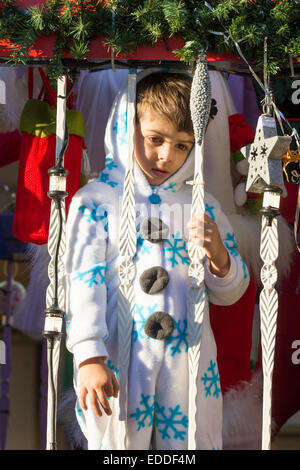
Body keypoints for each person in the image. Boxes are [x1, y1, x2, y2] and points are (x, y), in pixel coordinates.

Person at [64, 70, 250, 450]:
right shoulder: (98, 200)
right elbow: (84, 280)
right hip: (121, 355)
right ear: (123, 126)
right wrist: (88, 356)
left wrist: (219, 258)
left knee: (188, 443)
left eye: (182, 146)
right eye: (155, 139)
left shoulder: (203, 206)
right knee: (119, 443)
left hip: (189, 360)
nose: (166, 155)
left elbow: (232, 291)